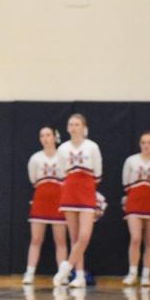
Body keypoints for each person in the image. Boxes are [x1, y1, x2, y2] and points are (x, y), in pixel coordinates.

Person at [52, 114, 102, 289]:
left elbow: (98, 174)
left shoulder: (92, 147)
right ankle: (79, 275)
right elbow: (60, 173)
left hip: (87, 193)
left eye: (77, 124)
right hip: (69, 194)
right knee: (74, 238)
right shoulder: (63, 149)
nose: (74, 127)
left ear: (84, 127)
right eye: (71, 124)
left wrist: (87, 187)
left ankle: (65, 268)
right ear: (67, 128)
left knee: (84, 236)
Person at [22, 127, 66, 285]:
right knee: (36, 239)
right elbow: (33, 179)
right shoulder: (35, 158)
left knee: (60, 240)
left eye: (48, 135)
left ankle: (63, 274)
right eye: (42, 136)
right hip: (40, 201)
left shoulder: (64, 157)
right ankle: (29, 273)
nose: (45, 138)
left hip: (59, 202)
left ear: (55, 137)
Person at [121, 131, 150, 286]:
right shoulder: (131, 161)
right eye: (143, 142)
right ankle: (132, 273)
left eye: (149, 142)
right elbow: (126, 183)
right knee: (136, 238)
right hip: (134, 203)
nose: (146, 145)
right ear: (139, 144)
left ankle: (146, 274)